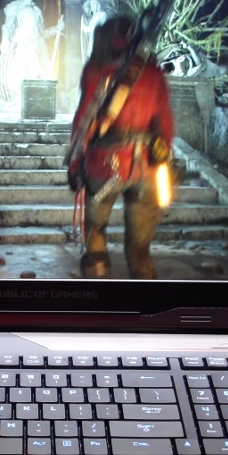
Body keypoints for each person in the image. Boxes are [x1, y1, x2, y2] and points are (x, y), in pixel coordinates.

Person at [67, 15, 174, 279]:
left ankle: (99, 289)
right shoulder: (153, 73)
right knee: (140, 251)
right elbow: (166, 127)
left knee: (95, 233)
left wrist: (74, 165)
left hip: (104, 168)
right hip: (146, 169)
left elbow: (84, 122)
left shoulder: (96, 70)